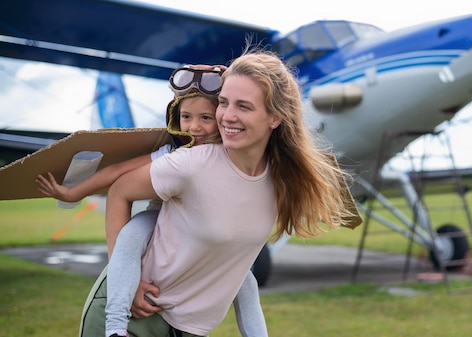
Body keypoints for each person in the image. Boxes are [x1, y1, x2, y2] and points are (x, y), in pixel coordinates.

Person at [78, 47, 358, 337]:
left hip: (190, 330)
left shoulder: (282, 180)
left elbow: (241, 276)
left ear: (275, 117)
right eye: (223, 102)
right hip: (133, 320)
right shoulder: (189, 164)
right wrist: (126, 284)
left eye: (244, 106)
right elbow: (119, 191)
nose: (227, 116)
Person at [36, 65, 269, 337]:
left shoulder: (236, 154)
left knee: (246, 282)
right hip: (160, 218)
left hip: (202, 233)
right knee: (131, 238)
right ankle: (115, 327)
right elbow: (117, 173)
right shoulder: (174, 154)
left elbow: (254, 95)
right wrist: (74, 193)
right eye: (186, 117)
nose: (194, 126)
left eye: (206, 117)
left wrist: (230, 73)